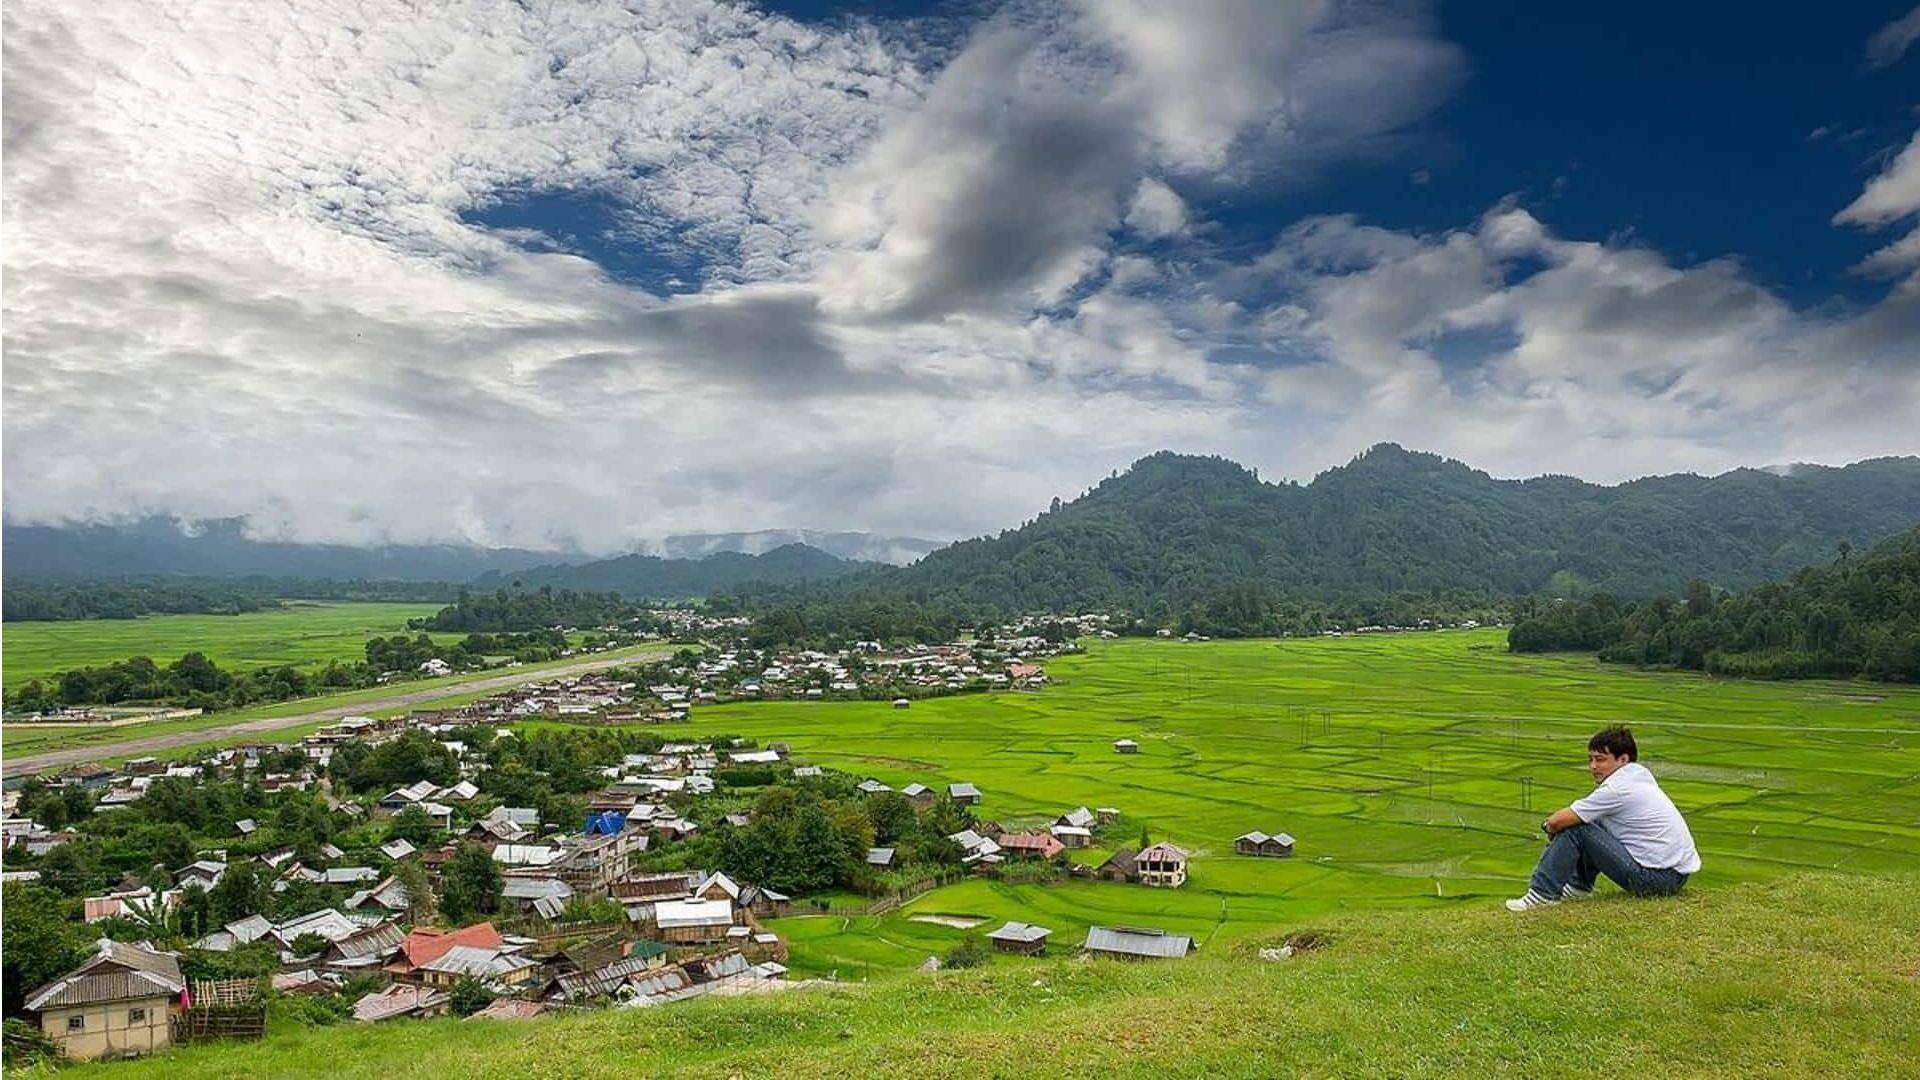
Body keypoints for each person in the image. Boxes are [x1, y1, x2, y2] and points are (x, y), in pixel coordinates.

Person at [1506, 725, 1700, 911]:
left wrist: (1548, 827)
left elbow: (1559, 821)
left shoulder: (1617, 789)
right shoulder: (1638, 776)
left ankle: (1541, 895)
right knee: (1589, 821)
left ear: (1623, 760)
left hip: (1654, 880)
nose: (1593, 766)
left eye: (1600, 759)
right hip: (1676, 877)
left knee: (1577, 828)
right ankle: (1577, 888)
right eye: (1590, 759)